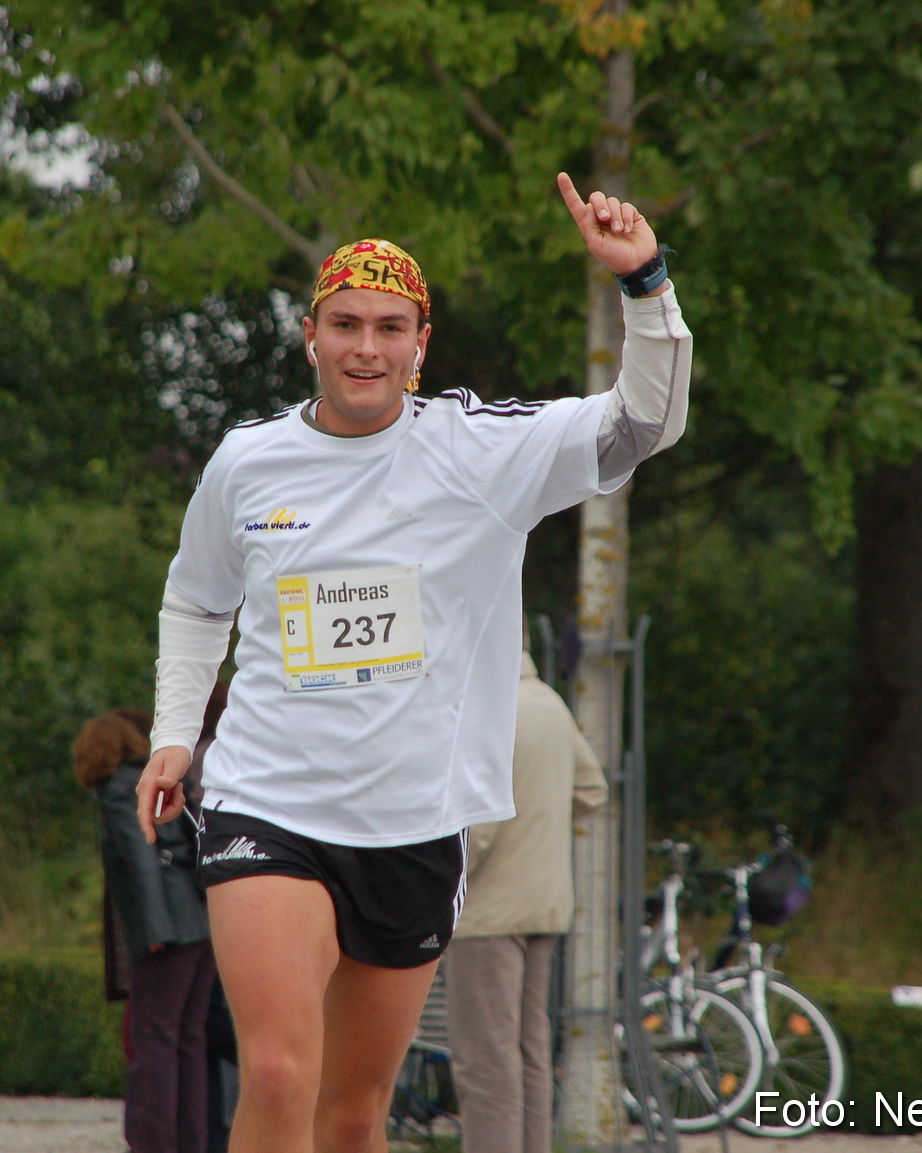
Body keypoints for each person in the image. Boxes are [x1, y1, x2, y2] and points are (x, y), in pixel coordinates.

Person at [136, 173, 691, 1153]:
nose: (365, 347)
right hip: (269, 799)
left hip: (414, 823)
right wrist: (176, 736)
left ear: (421, 345)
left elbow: (644, 424)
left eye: (391, 328)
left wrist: (643, 281)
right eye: (345, 324)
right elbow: (197, 599)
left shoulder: (480, 452)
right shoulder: (245, 462)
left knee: (354, 1116)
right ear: (310, 336)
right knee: (273, 1070)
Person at [443, 644, 609, 1153]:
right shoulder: (551, 704)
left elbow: (483, 828)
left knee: (485, 1061)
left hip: (488, 914)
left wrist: (440, 885)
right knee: (531, 1053)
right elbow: (593, 790)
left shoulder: (487, 708)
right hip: (546, 904)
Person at [76, 709, 217, 1153]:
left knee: (153, 1038)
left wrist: (154, 928)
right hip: (200, 921)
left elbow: (142, 856)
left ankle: (151, 1143)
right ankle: (190, 1142)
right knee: (189, 1039)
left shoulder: (118, 790)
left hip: (170, 930)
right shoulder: (155, 781)